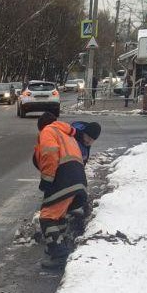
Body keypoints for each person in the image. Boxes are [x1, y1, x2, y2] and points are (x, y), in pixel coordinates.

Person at [33, 104, 89, 269]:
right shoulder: (66, 134)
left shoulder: (47, 131)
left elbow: (50, 153)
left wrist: (47, 180)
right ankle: (61, 243)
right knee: (58, 214)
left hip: (63, 178)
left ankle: (59, 254)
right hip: (78, 179)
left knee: (47, 217)